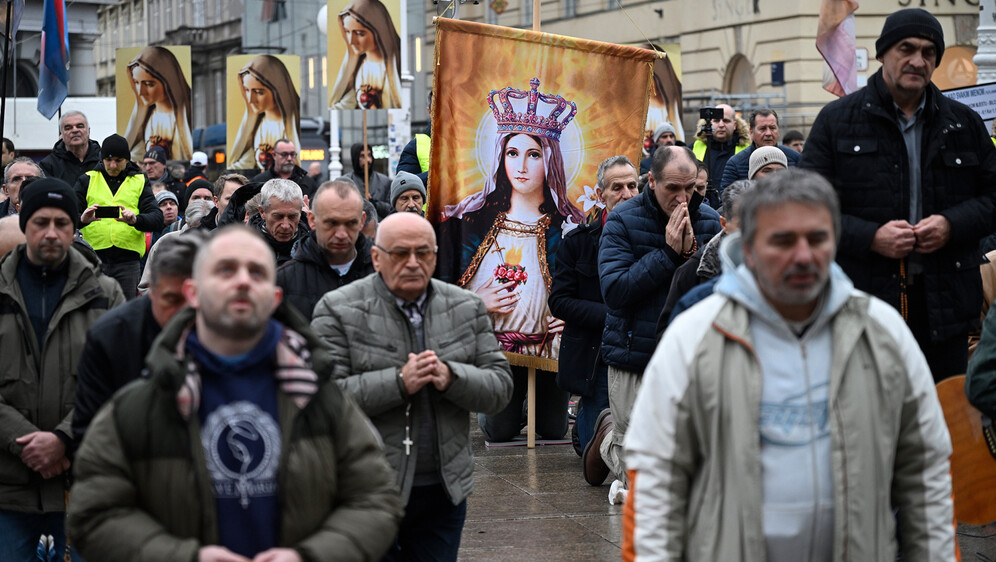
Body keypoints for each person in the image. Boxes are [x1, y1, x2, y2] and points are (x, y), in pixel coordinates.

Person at [624, 168, 955, 560]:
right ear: (747, 247)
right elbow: (655, 480)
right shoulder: (694, 337)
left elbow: (926, 473)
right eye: (782, 241)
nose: (803, 255)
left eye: (817, 238)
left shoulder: (882, 334)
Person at [68, 225, 404, 561]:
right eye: (225, 270)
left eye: (256, 272)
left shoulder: (319, 397)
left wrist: (310, 556)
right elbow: (94, 513)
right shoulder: (143, 402)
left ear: (274, 298)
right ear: (194, 292)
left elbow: (376, 499)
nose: (242, 281)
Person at [800, 8, 996, 381]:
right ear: (883, 53)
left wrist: (951, 225)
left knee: (942, 422)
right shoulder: (837, 122)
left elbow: (992, 197)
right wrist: (871, 237)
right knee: (869, 423)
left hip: (947, 308)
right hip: (862, 303)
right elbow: (805, 209)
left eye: (928, 52)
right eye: (906, 49)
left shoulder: (963, 124)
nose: (917, 61)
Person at [311, 213, 512, 561]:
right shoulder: (338, 309)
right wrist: (397, 383)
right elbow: (321, 401)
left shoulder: (466, 307)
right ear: (376, 257)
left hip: (443, 491)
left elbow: (499, 388)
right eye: (400, 254)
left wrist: (452, 377)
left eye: (424, 253)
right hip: (365, 492)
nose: (413, 263)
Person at [0, 178, 124, 561]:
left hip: (82, 481)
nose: (51, 232)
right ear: (24, 225)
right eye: (41, 222)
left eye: (61, 223)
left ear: (74, 228)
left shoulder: (105, 295)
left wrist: (63, 439)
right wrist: (24, 441)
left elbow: (123, 382)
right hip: (9, 487)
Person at [595, 145, 722, 491]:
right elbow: (615, 293)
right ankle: (607, 437)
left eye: (691, 188)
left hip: (691, 357)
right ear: (651, 181)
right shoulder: (622, 220)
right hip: (635, 353)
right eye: (673, 189)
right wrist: (667, 254)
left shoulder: (710, 220)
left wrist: (693, 258)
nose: (683, 199)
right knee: (638, 473)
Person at [438, 77, 585, 362]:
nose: (521, 166)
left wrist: (572, 316)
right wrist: (476, 303)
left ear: (550, 160)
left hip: (548, 354)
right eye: (512, 153)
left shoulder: (568, 229)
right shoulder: (470, 226)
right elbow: (436, 297)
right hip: (487, 356)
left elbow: (590, 294)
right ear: (500, 158)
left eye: (533, 155)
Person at [548, 155, 638, 481]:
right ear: (601, 195)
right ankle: (588, 427)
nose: (626, 193)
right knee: (597, 466)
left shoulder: (655, 237)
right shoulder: (577, 243)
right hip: (595, 357)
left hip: (637, 352)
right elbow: (559, 301)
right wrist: (611, 314)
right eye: (617, 187)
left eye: (632, 186)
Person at [72, 232, 205, 451]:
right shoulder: (111, 337)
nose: (183, 312)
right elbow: (91, 435)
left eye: (195, 298)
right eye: (172, 300)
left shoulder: (236, 332)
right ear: (151, 291)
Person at [656, 179, 755, 340]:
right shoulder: (695, 270)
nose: (753, 234)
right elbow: (668, 337)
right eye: (744, 225)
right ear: (724, 224)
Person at [76, 134, 165, 300]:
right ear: (101, 159)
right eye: (108, 160)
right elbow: (66, 217)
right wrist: (82, 220)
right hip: (93, 258)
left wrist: (135, 220)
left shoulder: (139, 181)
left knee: (126, 312)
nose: (113, 165)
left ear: (127, 160)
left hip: (127, 263)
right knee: (94, 310)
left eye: (118, 160)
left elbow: (157, 218)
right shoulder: (87, 179)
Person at [277, 180, 375, 318]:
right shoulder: (283, 281)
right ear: (311, 220)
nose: (341, 234)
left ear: (362, 221)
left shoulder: (383, 273)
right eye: (331, 223)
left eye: (351, 223)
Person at [230, 55, 302, 173]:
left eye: (258, 92)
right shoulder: (257, 125)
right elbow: (245, 161)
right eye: (247, 90)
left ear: (278, 90)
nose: (250, 99)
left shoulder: (291, 124)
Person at [123, 46, 193, 162]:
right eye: (136, 83)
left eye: (149, 84)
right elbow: (137, 154)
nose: (141, 92)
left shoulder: (182, 117)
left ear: (168, 82)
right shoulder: (147, 117)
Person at [330, 0, 402, 110]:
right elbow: (349, 102)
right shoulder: (358, 68)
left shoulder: (397, 65)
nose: (351, 41)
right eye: (347, 32)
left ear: (379, 31)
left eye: (359, 33)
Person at [719, 109, 800, 189]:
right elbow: (726, 198)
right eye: (762, 129)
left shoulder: (795, 158)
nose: (768, 133)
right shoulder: (735, 163)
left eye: (772, 128)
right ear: (751, 132)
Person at [691, 104, 749, 207]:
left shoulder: (747, 150)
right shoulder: (694, 147)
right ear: (709, 124)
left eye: (726, 121)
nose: (721, 125)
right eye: (716, 121)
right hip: (701, 208)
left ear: (735, 125)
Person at [251, 178, 309, 265]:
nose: (285, 226)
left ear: (301, 212)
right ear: (262, 212)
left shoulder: (313, 248)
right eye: (278, 216)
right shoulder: (245, 247)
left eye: (292, 216)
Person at [39, 110, 102, 186]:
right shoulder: (48, 165)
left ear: (88, 131)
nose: (75, 130)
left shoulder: (103, 160)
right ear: (61, 134)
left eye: (80, 126)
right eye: (68, 128)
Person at [252, 139, 319, 202]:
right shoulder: (258, 181)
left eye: (292, 154)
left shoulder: (308, 183)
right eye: (284, 154)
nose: (289, 158)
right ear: (274, 155)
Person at [347, 142, 392, 218]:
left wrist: (376, 204)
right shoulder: (346, 182)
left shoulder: (385, 182)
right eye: (362, 156)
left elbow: (392, 209)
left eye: (369, 155)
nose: (368, 160)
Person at [398, 91, 432, 185]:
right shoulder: (415, 147)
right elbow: (402, 183)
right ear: (429, 111)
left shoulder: (471, 141)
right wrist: (436, 174)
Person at [141, 146, 187, 212]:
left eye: (152, 163)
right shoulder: (139, 186)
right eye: (145, 164)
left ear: (163, 164)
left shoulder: (179, 187)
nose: (148, 168)